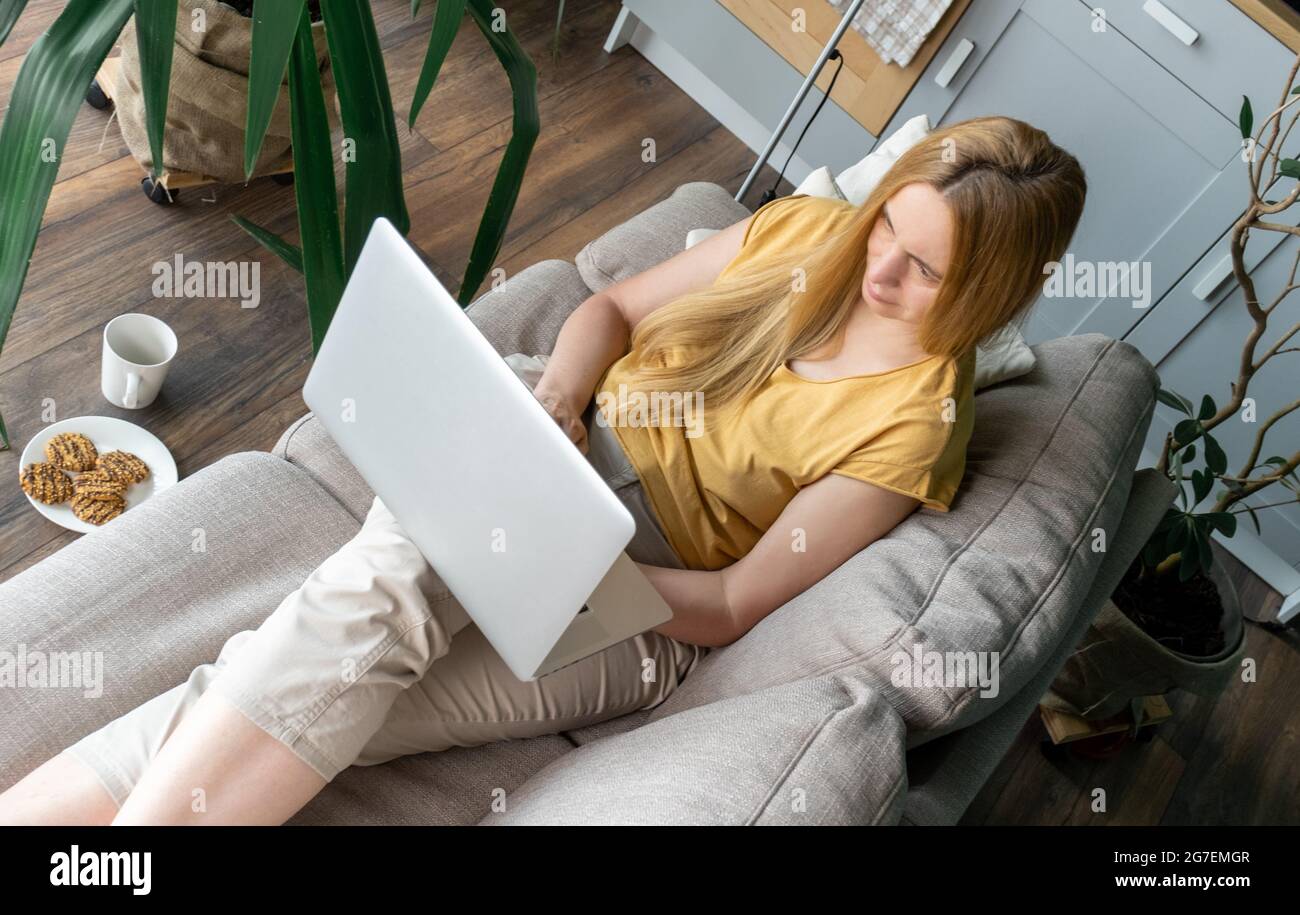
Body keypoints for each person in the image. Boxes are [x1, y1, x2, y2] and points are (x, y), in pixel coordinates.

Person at [0, 115, 1085, 825]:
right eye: (886, 224)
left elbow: (731, 604)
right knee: (347, 628)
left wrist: (549, 550)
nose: (879, 265)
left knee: (329, 660)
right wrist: (560, 403)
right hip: (545, 448)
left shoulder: (912, 426)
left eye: (922, 267)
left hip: (638, 608)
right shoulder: (808, 233)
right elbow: (610, 308)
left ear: (988, 291)